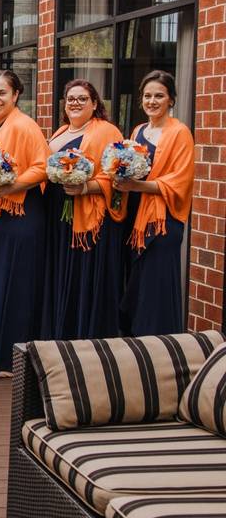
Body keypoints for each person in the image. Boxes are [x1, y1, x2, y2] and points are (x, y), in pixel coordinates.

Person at [0, 70, 49, 379]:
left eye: (1, 92)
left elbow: (42, 167)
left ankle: (9, 360)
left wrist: (10, 187)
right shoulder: (2, 125)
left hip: (21, 218)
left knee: (15, 286)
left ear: (16, 94)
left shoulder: (24, 126)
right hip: (1, 217)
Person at [41, 79, 125, 340]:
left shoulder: (107, 132)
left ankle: (87, 337)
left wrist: (86, 187)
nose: (75, 103)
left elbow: (118, 177)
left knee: (84, 277)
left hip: (91, 222)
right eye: (70, 99)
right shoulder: (60, 132)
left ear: (95, 103)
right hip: (59, 216)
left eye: (82, 98)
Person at [115, 70, 195, 336]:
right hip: (135, 218)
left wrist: (137, 185)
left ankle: (161, 350)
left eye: (159, 96)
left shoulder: (180, 133)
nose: (152, 101)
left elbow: (180, 181)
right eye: (147, 96)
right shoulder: (138, 131)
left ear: (171, 99)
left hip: (162, 223)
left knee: (157, 288)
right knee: (137, 286)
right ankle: (137, 348)